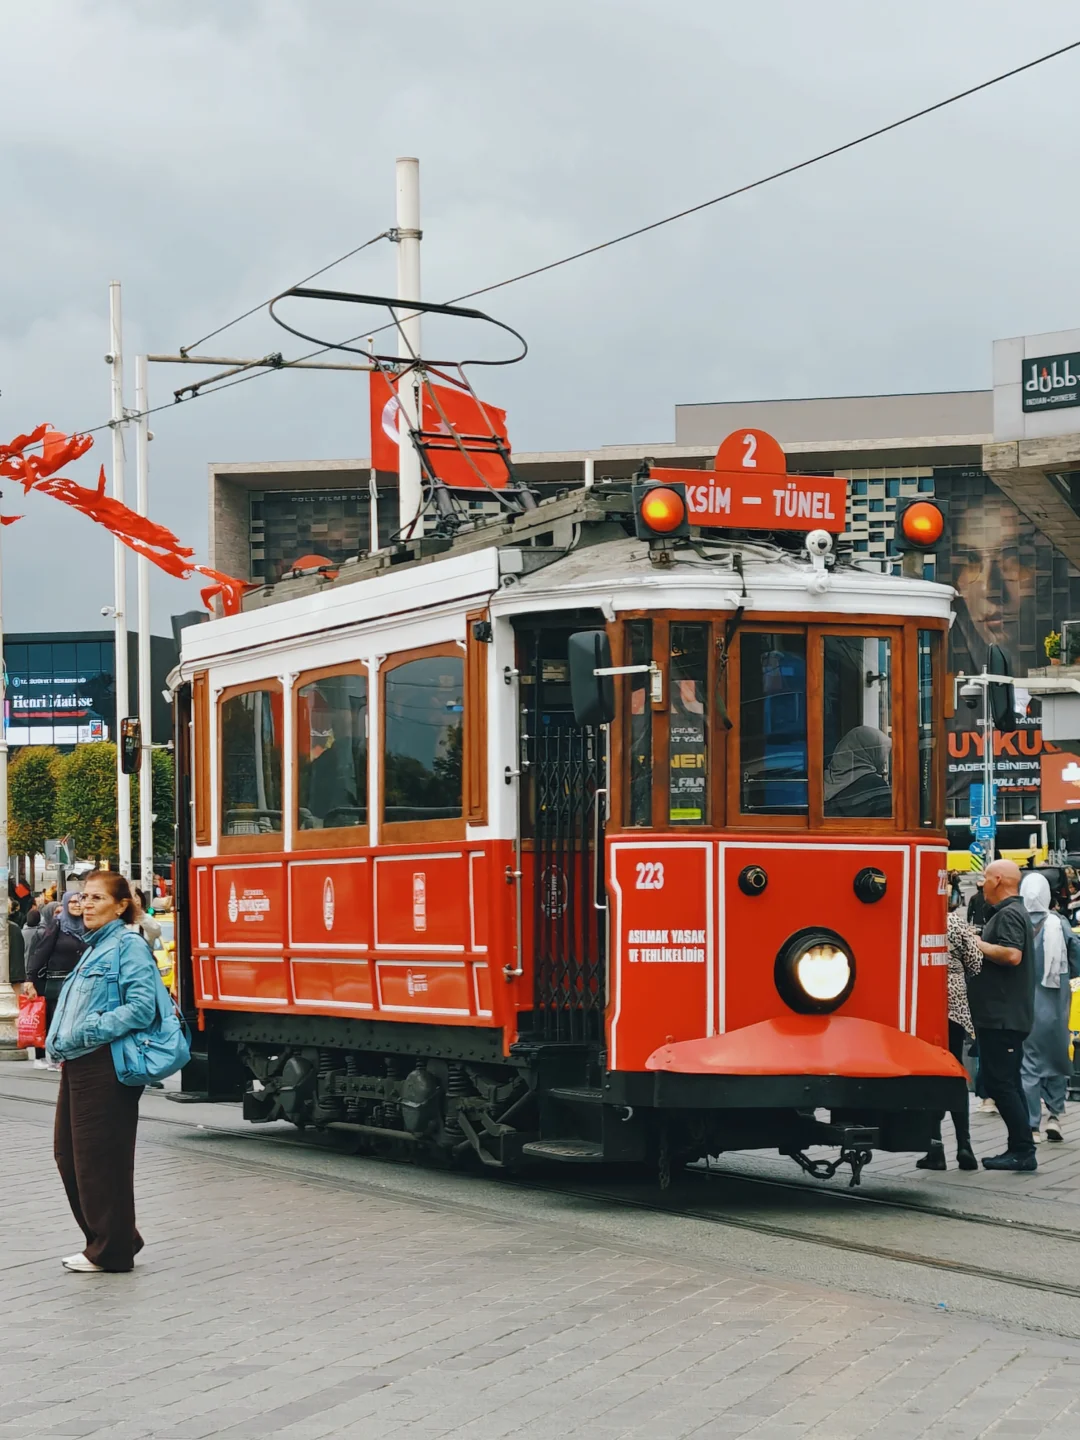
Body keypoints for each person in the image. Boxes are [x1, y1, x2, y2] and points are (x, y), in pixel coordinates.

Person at [46, 871, 158, 1273]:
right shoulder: (95, 945)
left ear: (121, 905)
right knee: (69, 1155)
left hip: (106, 1062)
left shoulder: (128, 945)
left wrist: (90, 1030)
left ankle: (111, 1251)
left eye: (97, 898)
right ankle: (117, 1236)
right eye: (84, 896)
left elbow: (142, 1007)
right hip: (79, 1060)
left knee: (100, 1159)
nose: (86, 904)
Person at [967, 859, 1037, 1171]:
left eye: (985, 878)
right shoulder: (1011, 912)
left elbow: (1012, 954)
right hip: (1003, 1015)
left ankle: (1022, 1150)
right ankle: (1020, 1148)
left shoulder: (1009, 914)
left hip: (1002, 1017)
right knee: (1008, 1082)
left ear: (997, 879)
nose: (982, 884)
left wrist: (977, 943)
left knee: (1000, 1084)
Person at [916, 909, 982, 1172]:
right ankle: (965, 1146)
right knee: (955, 1074)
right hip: (954, 1007)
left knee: (930, 1076)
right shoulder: (955, 921)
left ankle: (935, 1149)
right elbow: (975, 963)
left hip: (924, 1005)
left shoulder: (917, 919)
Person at [1019, 872, 1080, 1144]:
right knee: (1057, 1058)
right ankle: (1055, 1115)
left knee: (1029, 1065)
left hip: (1025, 1004)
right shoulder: (1060, 924)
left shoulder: (1017, 922)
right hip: (1056, 1005)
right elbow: (1076, 958)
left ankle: (1032, 1124)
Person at [29, 893, 87, 1069]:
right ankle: (56, 1055)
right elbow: (42, 952)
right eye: (73, 902)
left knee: (77, 1019)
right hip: (58, 982)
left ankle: (71, 1056)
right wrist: (30, 979)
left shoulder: (89, 926)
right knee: (58, 1019)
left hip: (81, 981)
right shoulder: (58, 925)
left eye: (80, 901)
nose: (77, 905)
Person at [822, 726, 892, 818]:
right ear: (872, 752)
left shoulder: (824, 781)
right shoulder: (875, 785)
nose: (884, 760)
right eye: (883, 753)